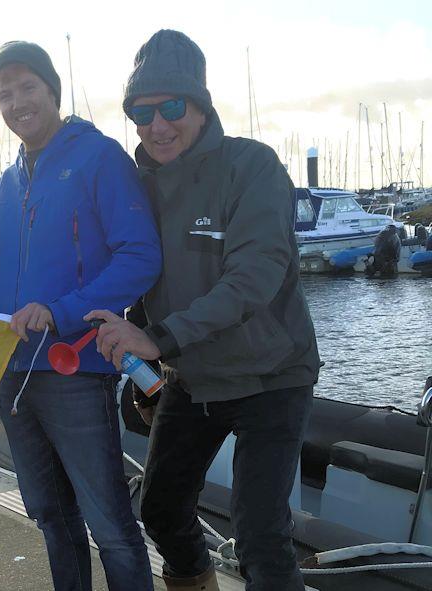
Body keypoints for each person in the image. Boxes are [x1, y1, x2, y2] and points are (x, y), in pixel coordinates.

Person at [86, 29, 321, 591]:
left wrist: (159, 339)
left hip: (272, 375)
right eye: (142, 114)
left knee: (261, 536)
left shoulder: (252, 166)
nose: (157, 125)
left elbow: (255, 277)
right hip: (190, 378)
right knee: (162, 511)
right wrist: (139, 349)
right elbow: (141, 274)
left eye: (172, 107)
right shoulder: (135, 182)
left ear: (201, 106)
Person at [0, 41, 161, 591]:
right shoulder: (8, 181)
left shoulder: (99, 157)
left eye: (27, 87)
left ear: (52, 91)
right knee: (50, 517)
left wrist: (59, 311)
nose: (17, 102)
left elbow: (141, 256)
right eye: (3, 94)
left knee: (109, 523)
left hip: (75, 369)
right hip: (14, 372)